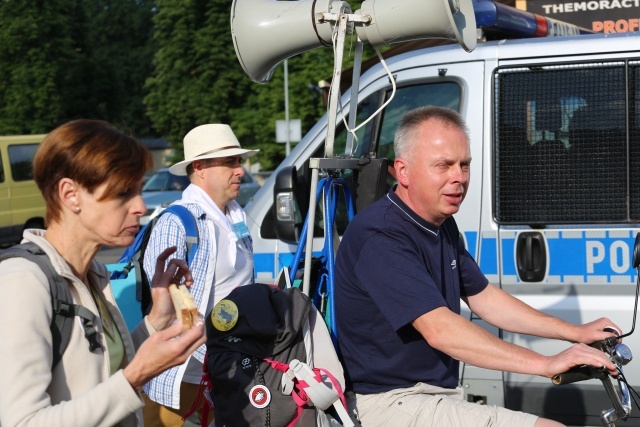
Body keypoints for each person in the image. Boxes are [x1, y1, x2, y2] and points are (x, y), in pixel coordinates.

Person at [333, 106, 621, 427]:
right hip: (391, 402)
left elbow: (484, 298)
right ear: (403, 171)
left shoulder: (440, 225)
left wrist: (574, 333)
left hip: (432, 395)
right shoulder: (382, 234)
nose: (458, 177)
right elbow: (442, 331)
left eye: (464, 164)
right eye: (443, 165)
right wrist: (546, 363)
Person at [0, 119, 205, 427]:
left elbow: (104, 366)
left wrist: (158, 319)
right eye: (123, 193)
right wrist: (136, 377)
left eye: (138, 190)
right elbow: (22, 422)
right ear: (70, 194)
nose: (139, 206)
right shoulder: (23, 282)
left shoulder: (93, 273)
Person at [142, 124, 258, 425]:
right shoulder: (176, 221)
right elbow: (165, 302)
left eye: (239, 161)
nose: (240, 171)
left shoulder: (236, 215)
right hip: (184, 376)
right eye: (230, 162)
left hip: (229, 370)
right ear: (200, 167)